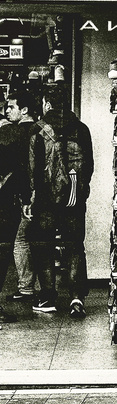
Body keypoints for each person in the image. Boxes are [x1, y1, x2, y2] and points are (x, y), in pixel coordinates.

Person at [26, 86, 94, 317]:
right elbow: (90, 165)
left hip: (45, 198)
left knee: (42, 246)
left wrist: (29, 198)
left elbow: (31, 167)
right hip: (74, 197)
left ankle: (48, 297)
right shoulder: (81, 129)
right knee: (75, 246)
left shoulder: (37, 130)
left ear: (46, 103)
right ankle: (77, 298)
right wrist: (80, 191)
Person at [0, 93, 36, 323]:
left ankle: (25, 285)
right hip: (19, 198)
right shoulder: (31, 132)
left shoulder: (15, 133)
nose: (6, 111)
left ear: (24, 110)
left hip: (12, 198)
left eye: (10, 107)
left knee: (12, 245)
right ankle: (27, 286)